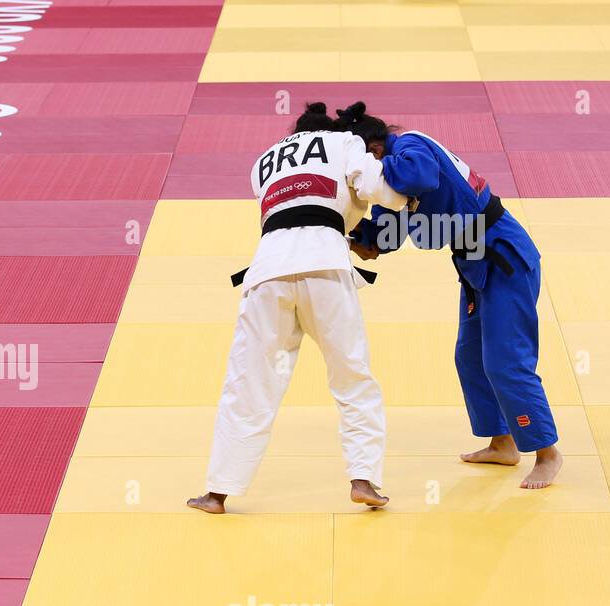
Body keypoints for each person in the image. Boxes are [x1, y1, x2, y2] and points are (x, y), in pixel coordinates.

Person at [187, 102, 409, 515]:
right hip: (324, 263)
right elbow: (377, 188)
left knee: (248, 382)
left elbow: (291, 205)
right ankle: (364, 480)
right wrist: (408, 198)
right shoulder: (344, 141)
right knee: (352, 376)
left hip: (267, 271)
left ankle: (217, 491)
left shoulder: (263, 161)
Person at [339, 101, 563, 489]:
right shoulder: (397, 176)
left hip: (503, 255)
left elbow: (420, 177)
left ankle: (547, 453)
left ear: (375, 151)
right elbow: (389, 234)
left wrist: (370, 174)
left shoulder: (410, 148)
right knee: (470, 357)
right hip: (474, 263)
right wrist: (354, 238)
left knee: (506, 361)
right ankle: (503, 443)